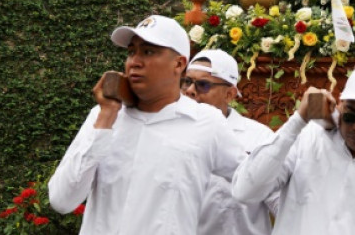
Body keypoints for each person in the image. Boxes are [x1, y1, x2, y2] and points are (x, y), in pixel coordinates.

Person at [48, 15, 245, 234]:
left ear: (179, 64)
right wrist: (106, 118)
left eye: (148, 52)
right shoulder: (102, 116)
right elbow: (62, 200)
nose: (135, 61)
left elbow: (254, 182)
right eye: (132, 52)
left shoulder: (206, 123)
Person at [231, 63, 355, 234]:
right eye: (351, 116)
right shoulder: (307, 139)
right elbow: (245, 191)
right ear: (340, 103)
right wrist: (298, 120)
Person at [183, 49, 278, 235]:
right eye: (186, 82)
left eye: (202, 85)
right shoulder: (172, 132)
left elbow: (280, 200)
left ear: (230, 94)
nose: (190, 91)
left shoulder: (259, 138)